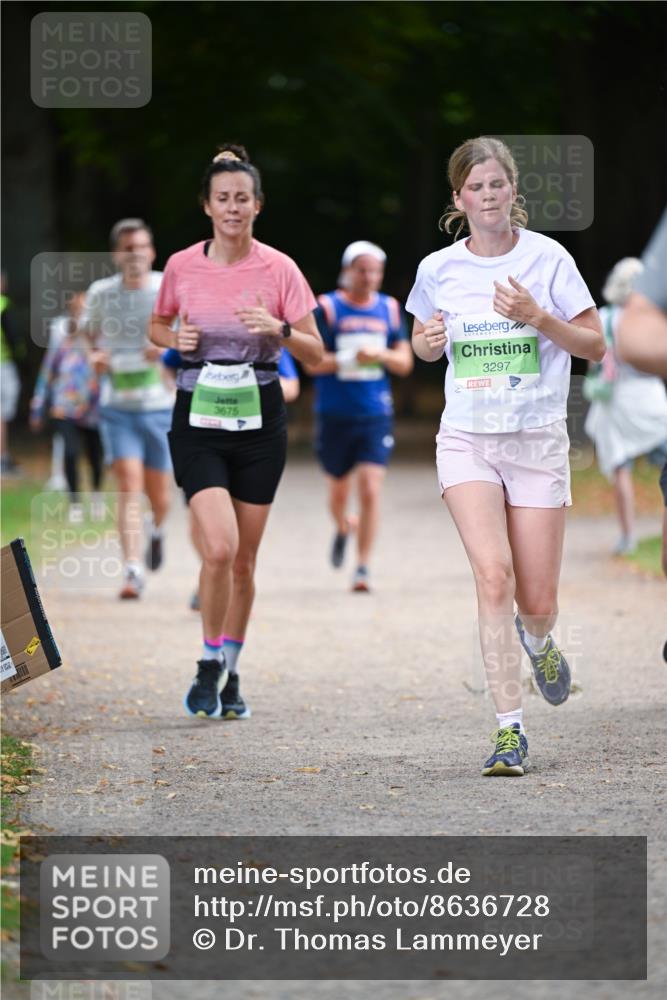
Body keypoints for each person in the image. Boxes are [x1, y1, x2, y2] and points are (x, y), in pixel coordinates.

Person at [406, 136, 604, 777]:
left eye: (497, 185)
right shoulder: (439, 269)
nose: (487, 196)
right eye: (475, 188)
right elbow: (422, 343)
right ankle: (509, 733)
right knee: (494, 577)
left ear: (512, 191)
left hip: (536, 441)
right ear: (458, 199)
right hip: (466, 438)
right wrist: (428, 342)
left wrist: (537, 316)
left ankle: (540, 641)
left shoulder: (549, 258)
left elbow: (595, 346)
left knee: (537, 600)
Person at [149, 144, 322, 720]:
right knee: (219, 546)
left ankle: (232, 672)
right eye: (222, 198)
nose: (232, 207)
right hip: (197, 414)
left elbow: (317, 353)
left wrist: (278, 328)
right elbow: (157, 324)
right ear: (206, 205)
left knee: (244, 560)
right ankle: (207, 659)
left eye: (241, 198)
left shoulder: (280, 269)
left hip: (259, 418)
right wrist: (176, 341)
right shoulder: (181, 266)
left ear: (257, 205)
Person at [304, 241, 413, 592]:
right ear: (348, 270)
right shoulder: (327, 308)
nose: (369, 277)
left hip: (375, 413)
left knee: (369, 490)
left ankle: (363, 566)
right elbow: (312, 362)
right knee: (338, 495)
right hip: (335, 413)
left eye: (375, 270)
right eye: (362, 269)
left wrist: (379, 354)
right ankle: (342, 526)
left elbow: (405, 362)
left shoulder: (390, 309)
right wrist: (352, 358)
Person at [161, 346, 300, 611]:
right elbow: (167, 363)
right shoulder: (200, 330)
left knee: (238, 534)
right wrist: (177, 390)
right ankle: (213, 575)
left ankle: (227, 583)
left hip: (250, 440)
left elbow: (292, 387)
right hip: (203, 439)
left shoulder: (264, 337)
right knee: (199, 527)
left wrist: (251, 387)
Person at [80, 219, 174, 599]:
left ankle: (157, 529)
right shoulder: (102, 293)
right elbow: (87, 334)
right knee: (128, 485)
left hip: (159, 405)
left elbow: (188, 335)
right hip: (117, 405)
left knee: (160, 495)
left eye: (141, 247)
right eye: (127, 247)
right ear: (117, 254)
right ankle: (132, 569)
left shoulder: (166, 286)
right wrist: (96, 357)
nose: (134, 254)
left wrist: (166, 349)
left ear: (151, 252)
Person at [584, 258, 667, 555]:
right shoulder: (647, 323)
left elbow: (592, 359)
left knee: (620, 468)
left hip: (613, 402)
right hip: (648, 399)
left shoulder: (603, 317)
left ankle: (627, 535)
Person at [29, 294, 103, 521]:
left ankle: (97, 495)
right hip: (64, 407)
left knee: (95, 455)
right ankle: (75, 503)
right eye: (77, 311)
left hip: (94, 409)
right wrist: (38, 407)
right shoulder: (62, 344)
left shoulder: (99, 344)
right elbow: (47, 374)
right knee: (70, 452)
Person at [0, 272, 22, 477]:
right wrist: (21, 358)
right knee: (2, 414)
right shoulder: (3, 304)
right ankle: (2, 458)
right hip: (3, 365)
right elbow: (14, 337)